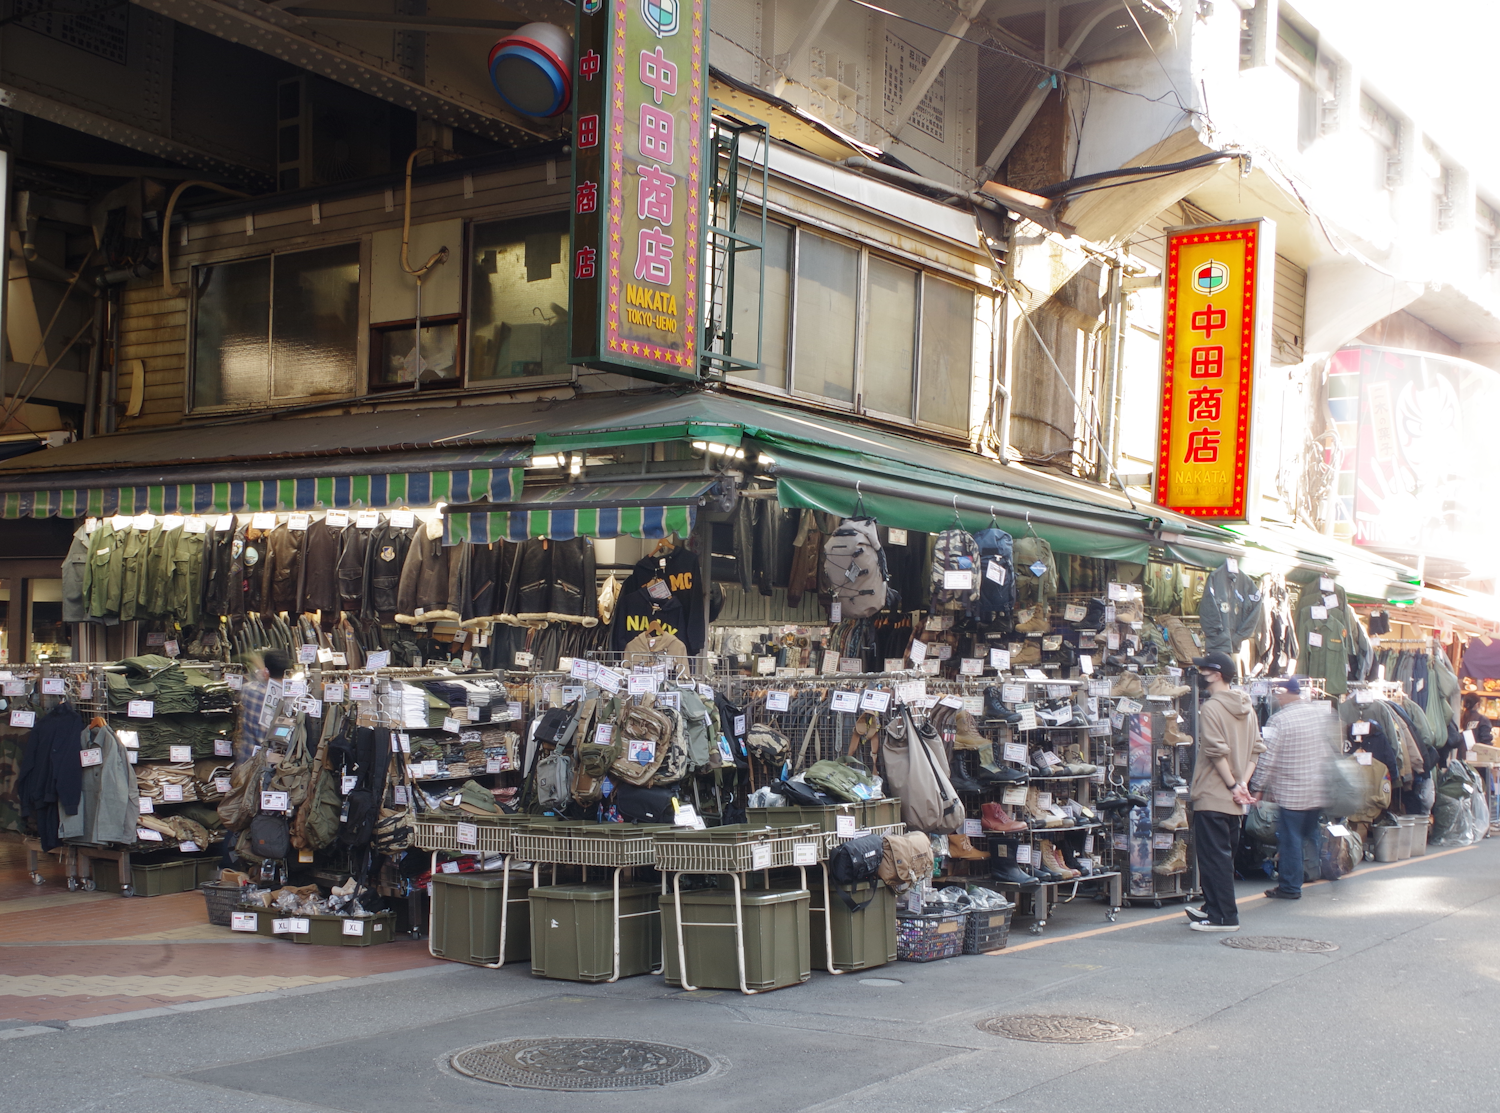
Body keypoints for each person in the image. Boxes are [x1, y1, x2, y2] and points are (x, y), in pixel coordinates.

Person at [1184, 651, 1264, 933]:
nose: (1199, 675)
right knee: (1223, 857)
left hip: (1214, 793)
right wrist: (1242, 784)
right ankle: (1213, 908)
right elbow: (1256, 750)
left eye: (1203, 670)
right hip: (1234, 799)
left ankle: (1223, 917)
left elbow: (1216, 753)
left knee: (1212, 858)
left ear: (1216, 674)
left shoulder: (1213, 707)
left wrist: (1232, 785)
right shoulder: (1246, 706)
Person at [1247, 678, 1334, 899]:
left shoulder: (1279, 720)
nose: (1277, 697)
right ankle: (1320, 870)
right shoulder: (1318, 714)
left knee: (1291, 839)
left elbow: (1267, 758)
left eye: (1279, 693)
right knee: (1310, 834)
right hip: (1317, 789)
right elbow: (1328, 749)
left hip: (1292, 792)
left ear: (1286, 694)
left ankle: (1290, 887)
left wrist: (1257, 786)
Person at [234, 648, 291, 765]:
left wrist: (262, 675)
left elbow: (251, 685)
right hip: (276, 764)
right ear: (286, 671)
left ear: (266, 670)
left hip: (247, 761)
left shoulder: (249, 690)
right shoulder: (290, 699)